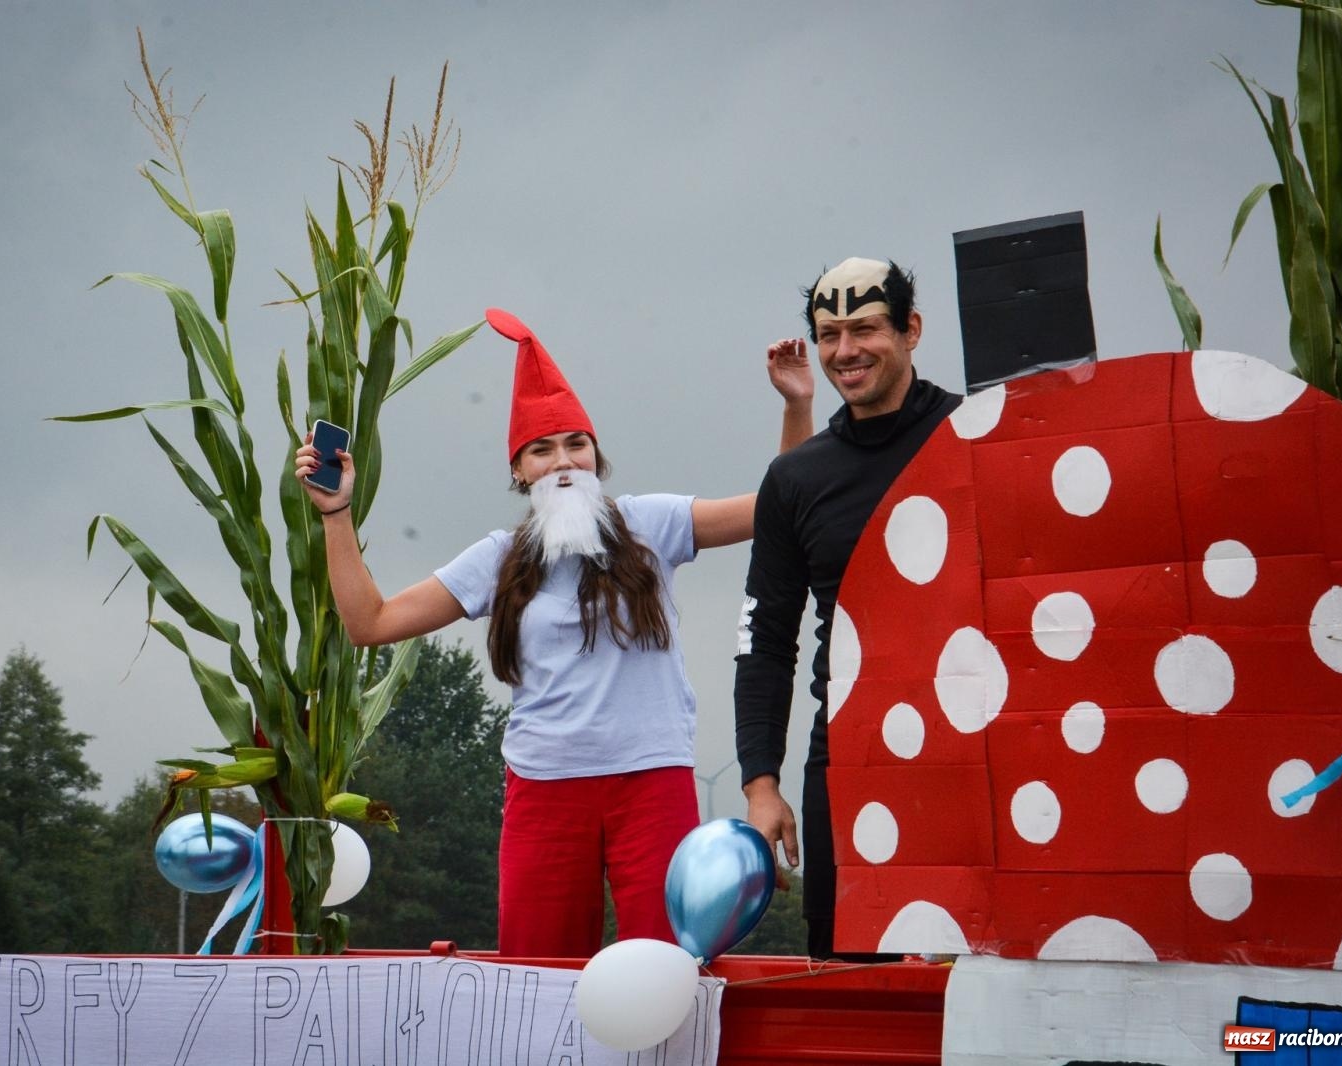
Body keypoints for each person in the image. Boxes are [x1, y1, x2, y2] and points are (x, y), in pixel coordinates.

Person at [295, 307, 813, 957]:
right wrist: (336, 514)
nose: (563, 461)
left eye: (576, 444)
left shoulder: (651, 525)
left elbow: (782, 510)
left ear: (596, 459)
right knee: (537, 970)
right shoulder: (496, 557)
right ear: (520, 473)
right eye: (542, 450)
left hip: (652, 782)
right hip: (544, 791)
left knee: (669, 962)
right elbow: (371, 623)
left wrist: (796, 407)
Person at [733, 257, 962, 959]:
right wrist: (760, 784)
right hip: (851, 751)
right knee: (847, 960)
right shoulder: (797, 477)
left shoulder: (976, 433)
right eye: (829, 334)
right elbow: (765, 637)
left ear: (911, 329)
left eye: (865, 328)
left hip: (978, 734)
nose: (845, 352)